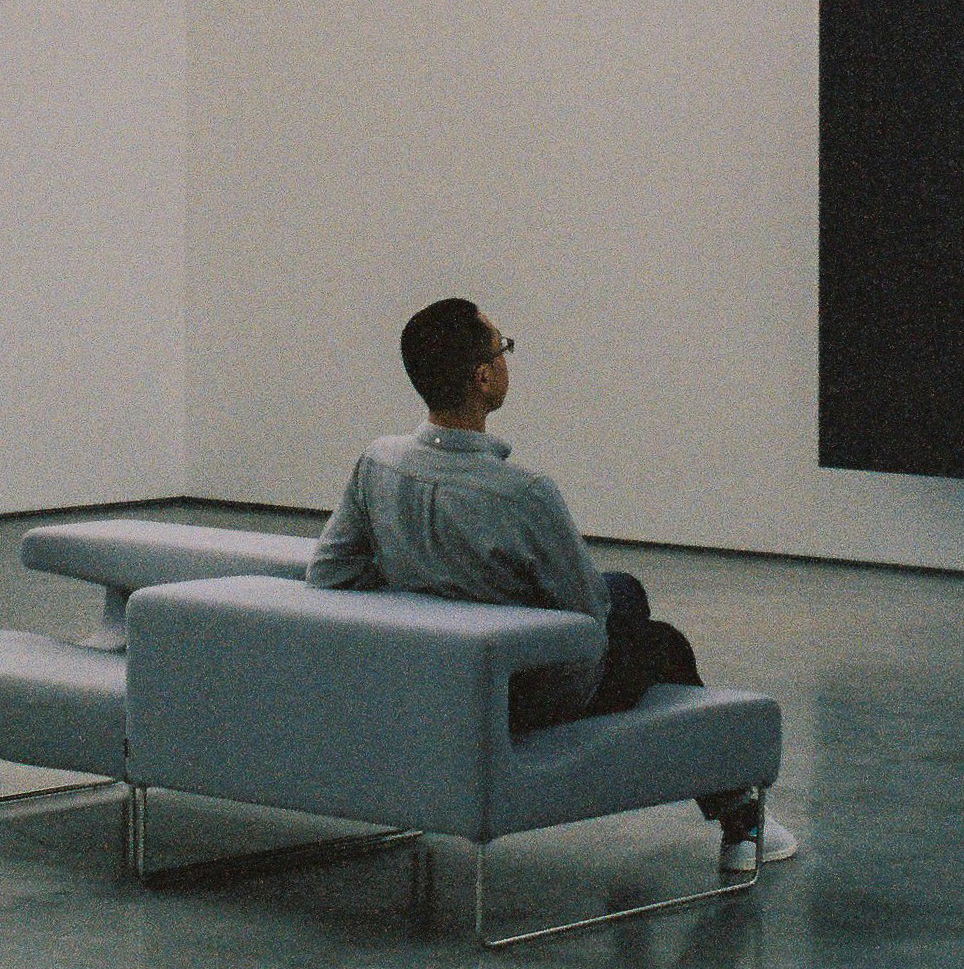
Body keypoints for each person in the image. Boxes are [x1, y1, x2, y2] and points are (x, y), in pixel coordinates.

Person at [307, 295, 796, 869]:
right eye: (503, 349)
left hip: (430, 679)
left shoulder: (377, 463)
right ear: (483, 377)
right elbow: (588, 617)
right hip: (523, 692)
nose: (507, 360)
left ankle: (740, 818)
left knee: (627, 590)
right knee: (661, 641)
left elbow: (329, 571)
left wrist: (423, 583)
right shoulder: (523, 494)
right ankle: (742, 822)